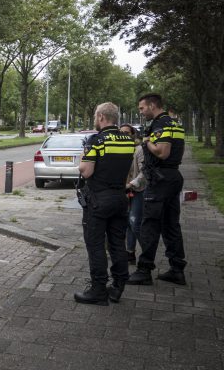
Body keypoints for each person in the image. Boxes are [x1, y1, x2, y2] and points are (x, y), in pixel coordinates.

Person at [74, 102, 134, 305]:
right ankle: (117, 286)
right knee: (117, 243)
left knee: (96, 244)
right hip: (120, 198)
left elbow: (86, 170)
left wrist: (84, 153)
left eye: (94, 115)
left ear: (100, 116)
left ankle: (98, 289)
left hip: (99, 199)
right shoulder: (127, 140)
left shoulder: (96, 140)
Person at [127, 93, 187, 286]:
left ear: (152, 106)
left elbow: (162, 152)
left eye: (142, 108)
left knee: (150, 224)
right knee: (171, 224)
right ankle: (177, 270)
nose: (141, 112)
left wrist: (146, 142)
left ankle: (144, 271)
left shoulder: (161, 124)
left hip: (160, 178)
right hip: (172, 176)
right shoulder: (174, 123)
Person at [119, 124, 146, 265]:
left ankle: (148, 255)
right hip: (122, 191)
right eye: (121, 132)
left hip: (137, 190)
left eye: (127, 133)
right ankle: (130, 253)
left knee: (135, 223)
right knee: (127, 223)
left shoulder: (139, 149)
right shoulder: (117, 149)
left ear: (133, 134)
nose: (124, 135)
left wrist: (131, 184)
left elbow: (144, 171)